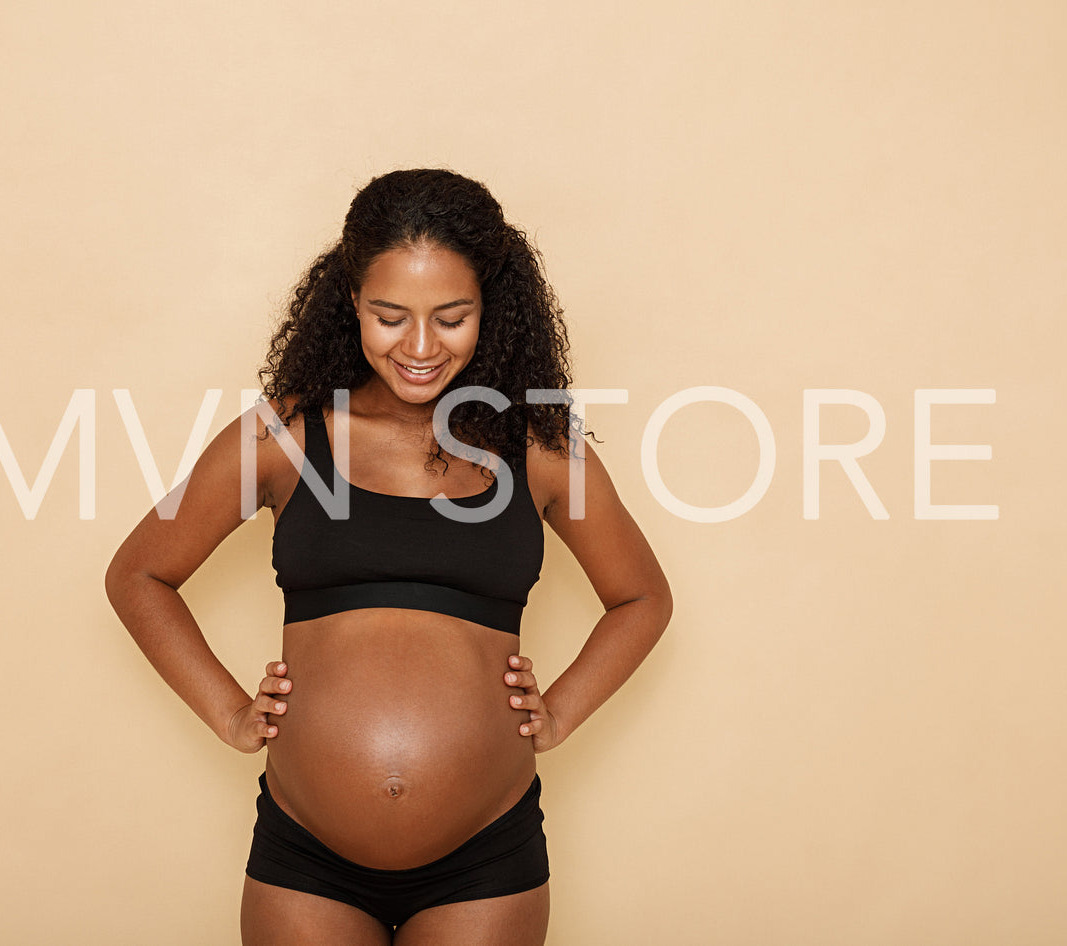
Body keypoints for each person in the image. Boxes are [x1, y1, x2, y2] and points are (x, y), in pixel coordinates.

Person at [105, 168, 671, 945]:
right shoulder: (285, 436)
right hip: (306, 857)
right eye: (389, 315)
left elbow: (641, 597)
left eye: (450, 317)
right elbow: (139, 572)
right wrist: (229, 713)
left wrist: (563, 709)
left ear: (489, 309)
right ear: (350, 302)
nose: (417, 346)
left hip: (485, 859)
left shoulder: (537, 450)